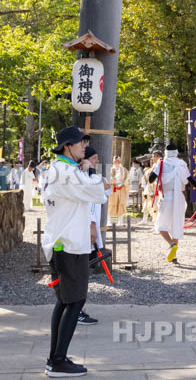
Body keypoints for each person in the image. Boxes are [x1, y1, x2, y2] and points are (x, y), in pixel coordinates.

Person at [41, 125, 108, 377]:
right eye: (80, 142)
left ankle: (55, 357)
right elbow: (100, 191)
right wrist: (92, 173)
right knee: (75, 300)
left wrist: (91, 176)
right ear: (67, 146)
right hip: (68, 245)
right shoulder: (66, 172)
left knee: (66, 300)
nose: (84, 145)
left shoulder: (60, 169)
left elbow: (99, 190)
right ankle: (57, 361)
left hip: (64, 243)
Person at [77, 144, 111, 327]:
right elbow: (88, 202)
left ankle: (76, 309)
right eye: (94, 158)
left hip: (89, 230)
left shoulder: (94, 177)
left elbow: (107, 188)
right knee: (78, 273)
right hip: (82, 231)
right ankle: (76, 311)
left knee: (83, 271)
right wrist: (91, 225)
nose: (97, 161)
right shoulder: (81, 177)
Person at [148, 141, 189, 262]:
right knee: (176, 225)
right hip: (180, 197)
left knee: (160, 226)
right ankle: (174, 254)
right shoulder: (182, 164)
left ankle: (172, 244)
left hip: (167, 197)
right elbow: (190, 179)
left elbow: (151, 179)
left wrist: (156, 168)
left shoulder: (161, 163)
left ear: (165, 152)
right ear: (176, 152)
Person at [140, 152, 161, 226]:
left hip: (155, 189)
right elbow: (146, 179)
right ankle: (154, 223)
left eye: (153, 157)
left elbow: (155, 180)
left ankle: (157, 224)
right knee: (149, 206)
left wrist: (153, 191)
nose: (152, 160)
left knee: (156, 207)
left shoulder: (159, 166)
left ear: (157, 157)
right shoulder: (150, 169)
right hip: (149, 189)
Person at [107, 156, 128, 226]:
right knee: (113, 205)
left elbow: (127, 179)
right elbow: (108, 179)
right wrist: (114, 182)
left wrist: (122, 184)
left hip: (121, 189)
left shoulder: (124, 170)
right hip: (113, 189)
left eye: (118, 161)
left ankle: (120, 221)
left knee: (121, 204)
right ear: (113, 161)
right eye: (115, 161)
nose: (117, 163)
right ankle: (113, 222)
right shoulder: (110, 170)